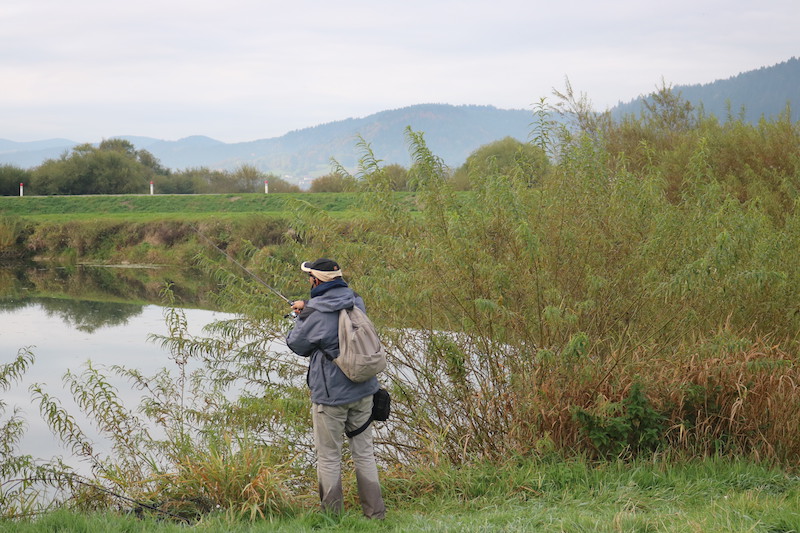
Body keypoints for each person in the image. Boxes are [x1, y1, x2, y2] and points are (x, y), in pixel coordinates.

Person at [286, 258, 386, 519]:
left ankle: (333, 519)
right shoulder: (356, 300)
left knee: (330, 457)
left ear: (316, 281)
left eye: (310, 277)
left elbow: (297, 344)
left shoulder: (314, 313)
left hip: (330, 397)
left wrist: (301, 315)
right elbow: (333, 308)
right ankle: (375, 515)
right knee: (364, 454)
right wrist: (307, 306)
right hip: (364, 390)